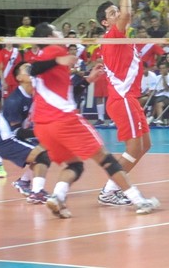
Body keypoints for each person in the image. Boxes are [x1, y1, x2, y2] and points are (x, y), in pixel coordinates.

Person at [29, 23, 159, 219]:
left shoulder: (44, 58)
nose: (60, 33)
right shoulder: (54, 50)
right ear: (49, 36)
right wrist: (58, 59)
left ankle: (57, 196)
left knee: (75, 165)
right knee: (105, 159)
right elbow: (34, 68)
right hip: (64, 120)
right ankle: (138, 200)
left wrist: (87, 80)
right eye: (56, 30)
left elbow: (57, 85)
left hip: (42, 126)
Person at [95, 0, 153, 207]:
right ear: (105, 23)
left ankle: (113, 188)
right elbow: (128, 14)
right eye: (112, 13)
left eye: (116, 11)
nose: (117, 14)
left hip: (130, 99)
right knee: (134, 147)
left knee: (145, 145)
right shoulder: (112, 36)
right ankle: (110, 190)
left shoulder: (123, 39)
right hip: (122, 99)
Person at [0, 62, 50, 202]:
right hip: (6, 140)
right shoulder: (15, 100)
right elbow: (17, 132)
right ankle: (37, 193)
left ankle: (24, 182)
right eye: (27, 69)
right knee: (42, 155)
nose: (31, 70)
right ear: (19, 77)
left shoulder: (35, 92)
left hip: (17, 136)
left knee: (49, 148)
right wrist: (41, 132)